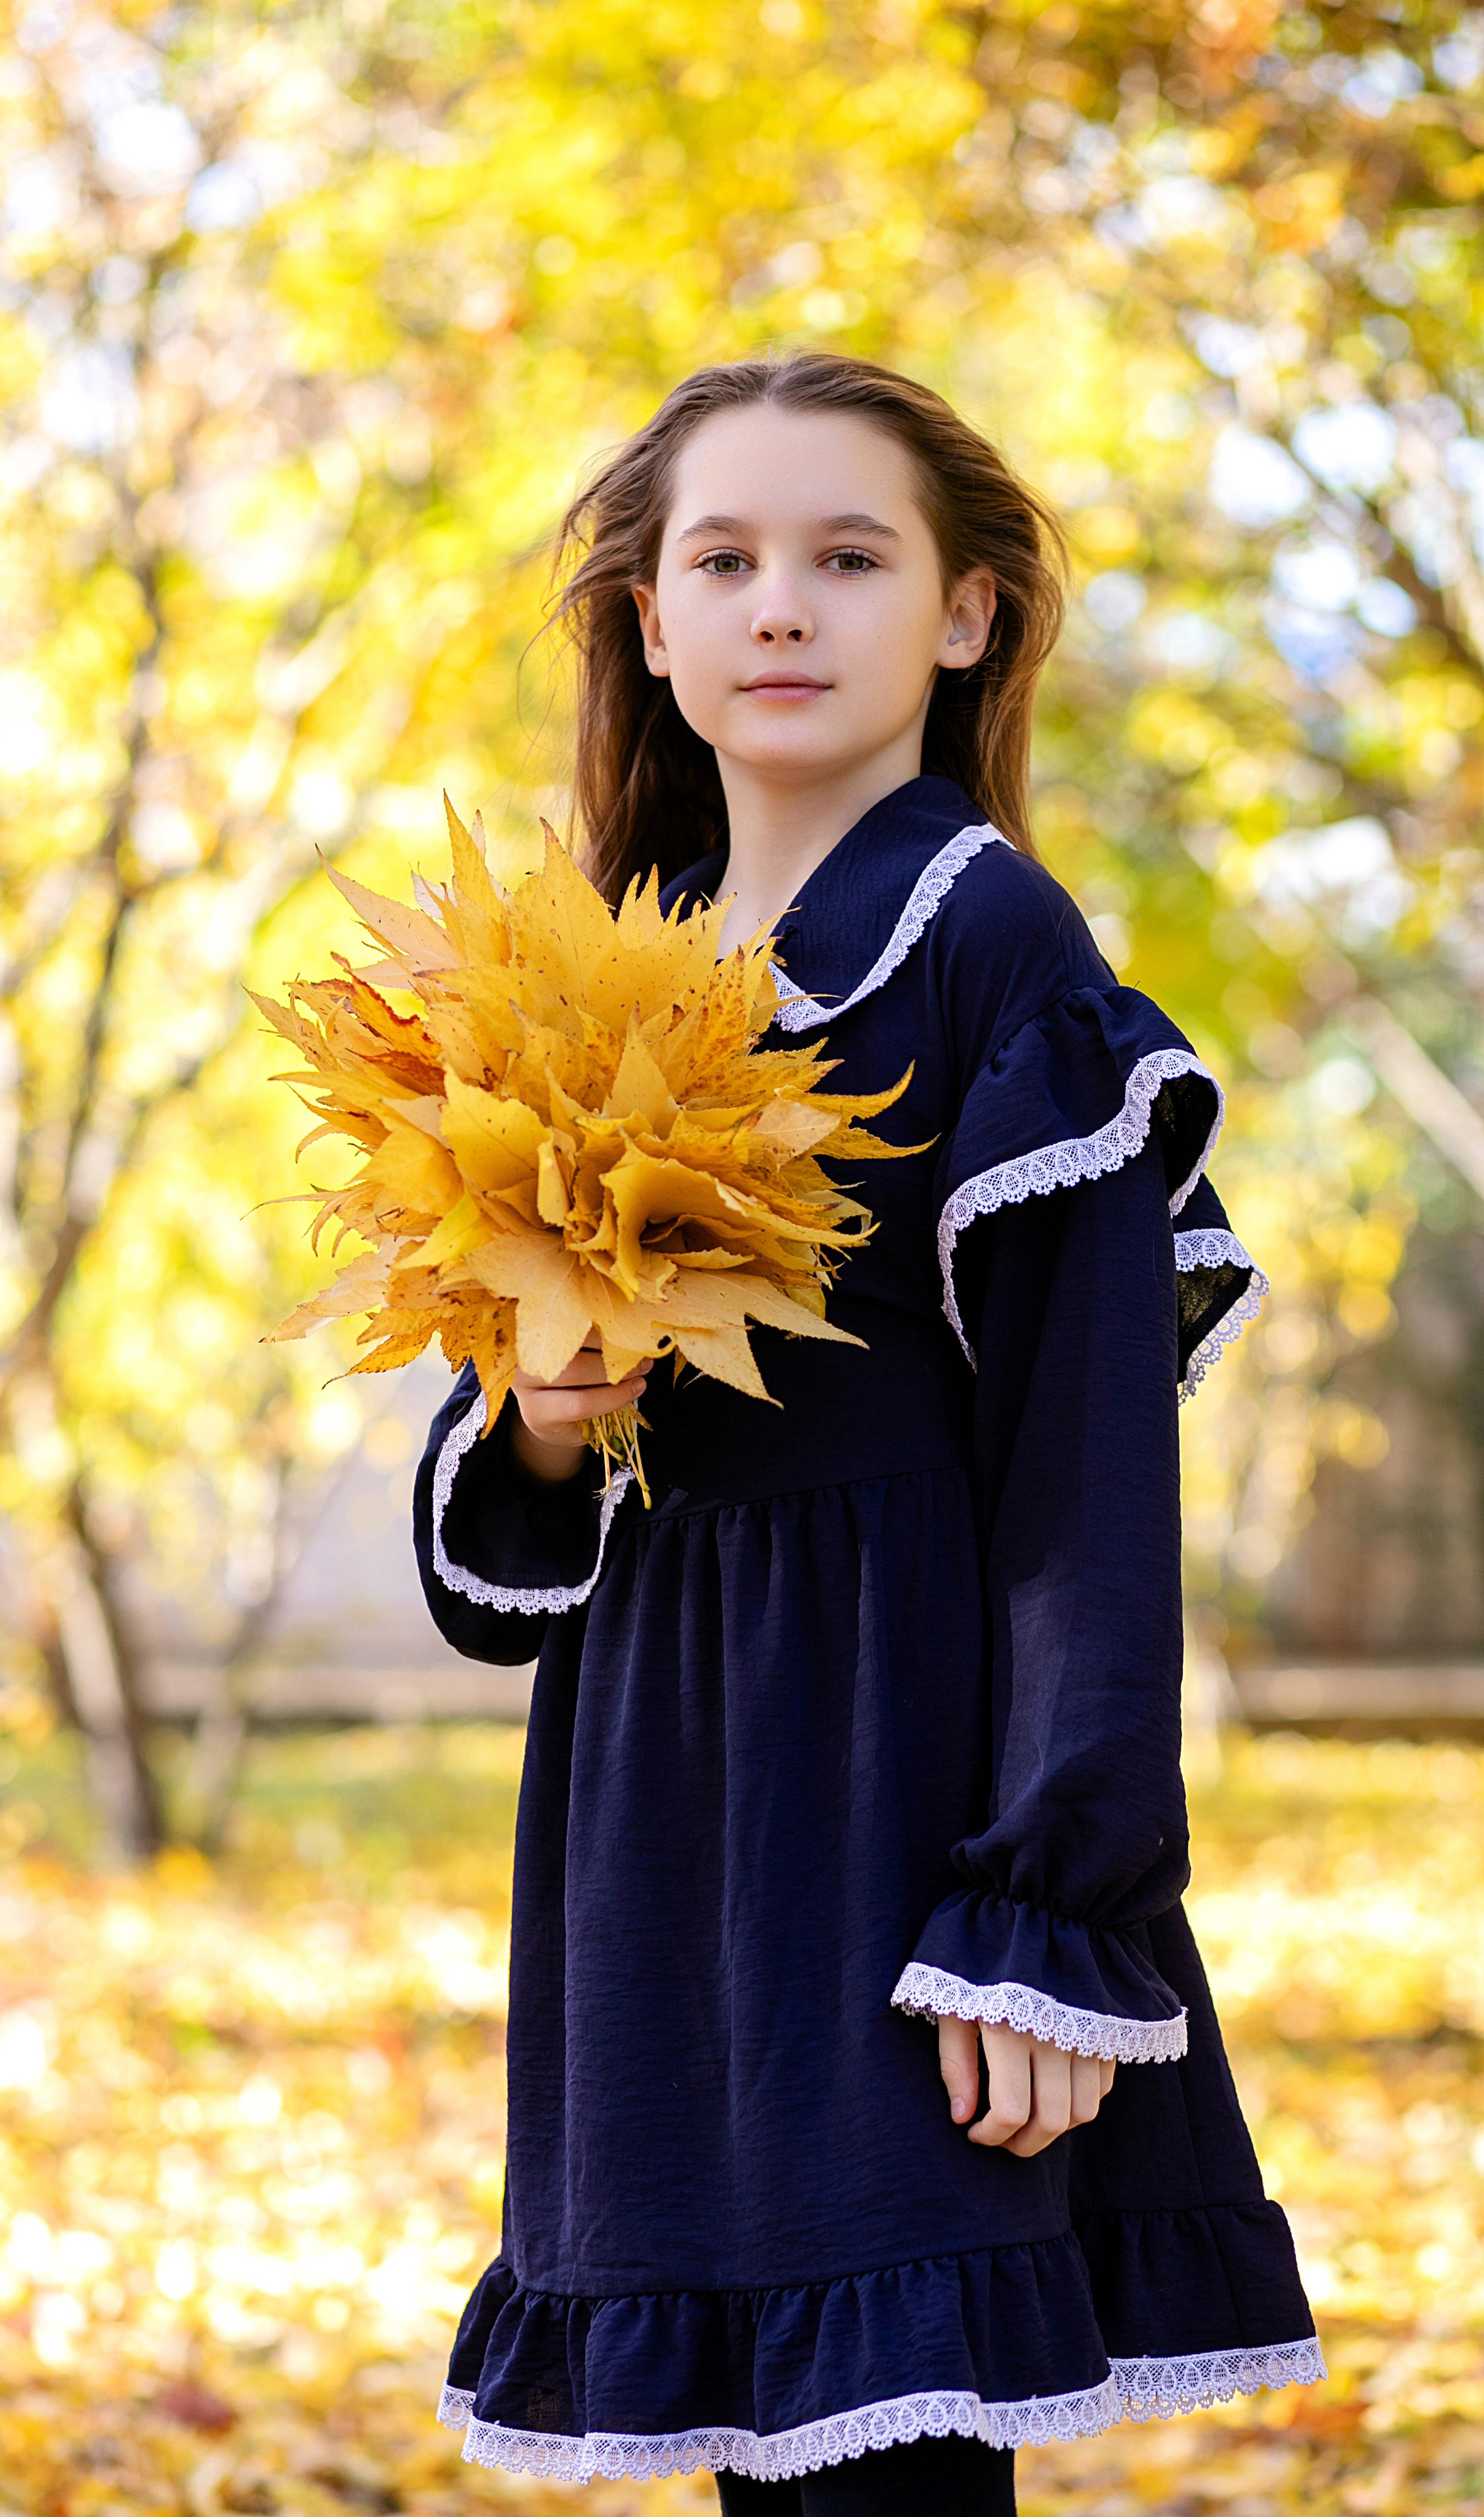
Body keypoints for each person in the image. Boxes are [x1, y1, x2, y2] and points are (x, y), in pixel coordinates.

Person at [411, 353, 1321, 2514]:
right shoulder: (602, 977)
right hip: (665, 1776)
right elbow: (500, 1561)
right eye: (721, 561)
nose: (779, 608)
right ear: (650, 624)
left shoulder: (992, 942)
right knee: (776, 2444)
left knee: (886, 2456)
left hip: (900, 1772)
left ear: (968, 615)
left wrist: (1049, 1911)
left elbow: (1087, 1480)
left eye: (848, 557)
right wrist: (542, 1424)